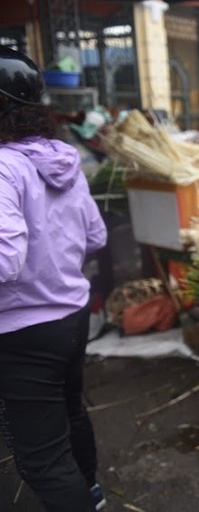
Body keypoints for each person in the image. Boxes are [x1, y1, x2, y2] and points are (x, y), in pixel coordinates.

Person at [0, 46, 108, 511]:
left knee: (42, 459)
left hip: (24, 329)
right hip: (72, 314)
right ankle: (93, 493)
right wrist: (57, 265)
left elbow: (6, 260)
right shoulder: (62, 158)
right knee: (71, 410)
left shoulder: (5, 167)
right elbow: (96, 236)